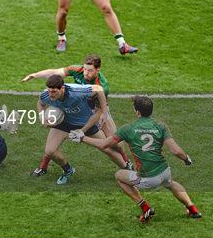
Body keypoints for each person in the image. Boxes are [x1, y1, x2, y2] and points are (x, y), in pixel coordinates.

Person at [68, 95, 202, 222]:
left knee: (119, 175)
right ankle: (193, 209)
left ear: (137, 112)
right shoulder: (161, 126)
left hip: (147, 178)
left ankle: (145, 208)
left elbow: (104, 144)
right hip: (164, 170)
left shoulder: (128, 129)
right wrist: (186, 159)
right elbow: (176, 151)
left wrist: (82, 138)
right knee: (171, 183)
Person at [22, 54, 131, 176]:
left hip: (97, 109)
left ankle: (126, 162)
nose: (85, 73)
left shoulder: (102, 86)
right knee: (52, 143)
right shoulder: (77, 70)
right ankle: (44, 166)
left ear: (98, 70)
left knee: (114, 143)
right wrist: (35, 75)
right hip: (74, 105)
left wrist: (102, 116)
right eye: (85, 69)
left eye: (90, 71)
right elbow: (55, 72)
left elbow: (99, 108)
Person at [36, 75, 128, 185]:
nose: (51, 94)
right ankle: (68, 170)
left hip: (85, 123)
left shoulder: (77, 92)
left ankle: (127, 169)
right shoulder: (46, 95)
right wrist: (42, 117)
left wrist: (103, 112)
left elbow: (99, 89)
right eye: (50, 91)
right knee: (50, 151)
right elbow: (40, 103)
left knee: (106, 147)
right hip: (64, 123)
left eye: (54, 91)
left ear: (62, 88)